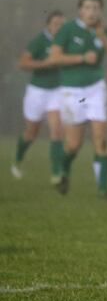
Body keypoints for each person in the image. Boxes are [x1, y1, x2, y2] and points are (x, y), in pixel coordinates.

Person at [49, 0, 107, 198]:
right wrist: (81, 57)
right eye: (88, 7)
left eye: (96, 8)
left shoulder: (102, 30)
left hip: (95, 90)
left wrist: (103, 37)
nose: (92, 12)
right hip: (72, 92)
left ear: (100, 11)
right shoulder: (67, 29)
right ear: (80, 10)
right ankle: (63, 170)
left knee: (101, 140)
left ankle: (103, 190)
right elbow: (54, 57)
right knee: (73, 144)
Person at [11, 10, 66, 184]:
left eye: (62, 24)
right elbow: (23, 63)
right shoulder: (39, 41)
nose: (59, 26)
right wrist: (45, 63)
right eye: (56, 23)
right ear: (48, 25)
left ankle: (56, 173)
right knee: (31, 132)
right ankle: (18, 159)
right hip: (37, 91)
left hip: (57, 91)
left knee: (57, 129)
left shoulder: (65, 41)